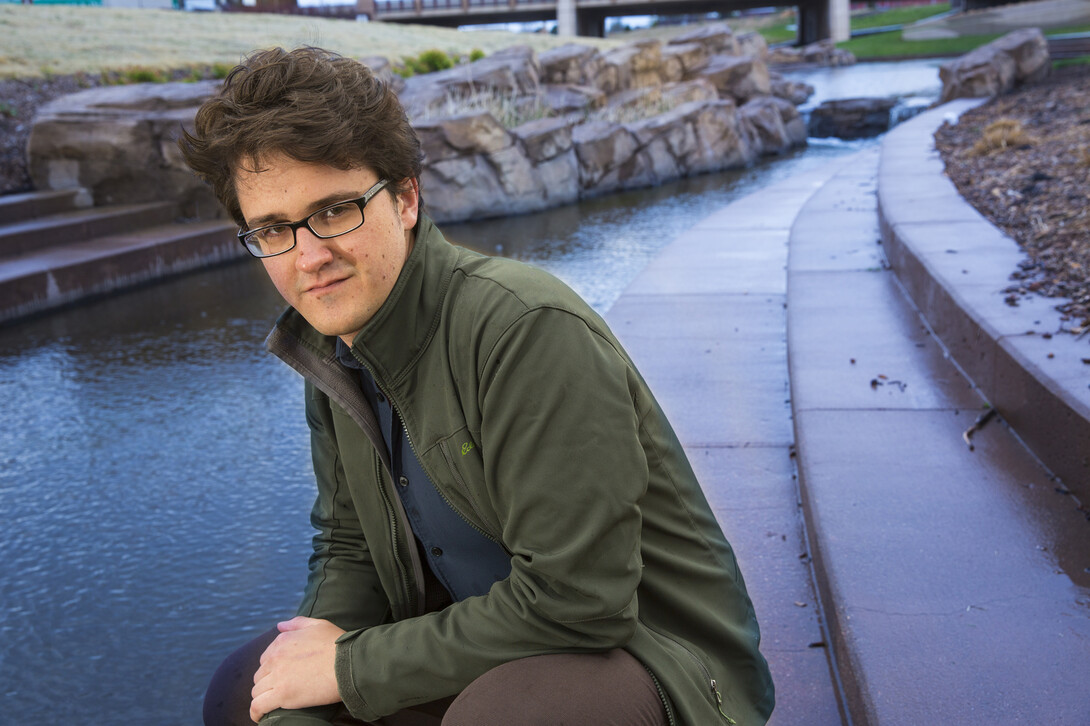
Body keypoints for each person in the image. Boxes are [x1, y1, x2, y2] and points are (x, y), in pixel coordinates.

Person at [180, 46, 774, 726]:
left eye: (337, 209)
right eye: (274, 230)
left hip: (643, 660)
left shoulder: (524, 329)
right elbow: (350, 547)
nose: (310, 256)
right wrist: (304, 671)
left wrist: (350, 668)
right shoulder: (331, 340)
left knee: (508, 715)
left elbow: (578, 602)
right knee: (245, 693)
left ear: (405, 197)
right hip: (486, 639)